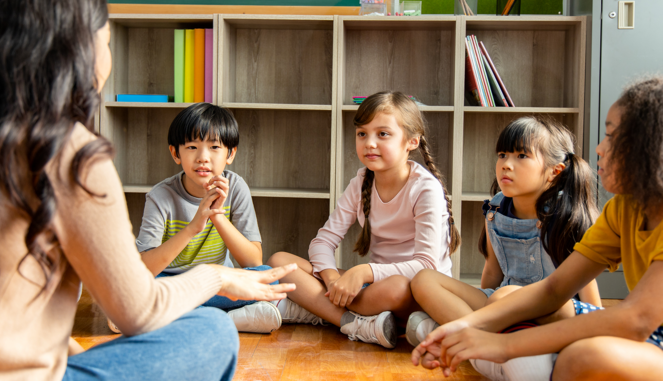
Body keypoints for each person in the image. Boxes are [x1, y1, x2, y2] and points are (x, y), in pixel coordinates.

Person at [0, 0, 295, 379]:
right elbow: (138, 309)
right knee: (210, 332)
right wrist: (215, 275)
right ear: (76, 51)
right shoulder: (70, 153)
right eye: (105, 40)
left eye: (214, 147)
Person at [413, 78, 663, 380]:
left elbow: (636, 319)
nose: (599, 147)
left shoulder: (567, 214)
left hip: (652, 335)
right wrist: (463, 328)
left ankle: (507, 359)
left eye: (611, 136)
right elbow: (554, 289)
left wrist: (505, 345)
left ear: (648, 148)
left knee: (583, 356)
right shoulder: (624, 209)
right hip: (641, 331)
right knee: (509, 297)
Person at [407, 116, 601, 380]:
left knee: (506, 295)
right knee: (423, 279)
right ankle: (473, 335)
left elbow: (585, 286)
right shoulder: (495, 210)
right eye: (502, 154)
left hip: (550, 311)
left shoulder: (563, 216)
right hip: (501, 304)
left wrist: (594, 331)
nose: (506, 165)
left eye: (522, 156)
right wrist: (482, 304)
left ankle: (455, 335)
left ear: (555, 172)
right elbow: (493, 272)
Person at [268, 91, 459, 349]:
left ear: (411, 141)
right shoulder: (360, 183)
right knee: (280, 262)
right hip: (372, 286)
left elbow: (425, 266)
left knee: (396, 288)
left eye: (382, 134)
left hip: (411, 291)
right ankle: (356, 323)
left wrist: (363, 271)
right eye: (362, 134)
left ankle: (318, 310)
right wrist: (332, 279)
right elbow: (323, 241)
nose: (369, 143)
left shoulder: (425, 189)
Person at [119, 103, 281, 335]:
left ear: (230, 154)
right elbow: (145, 269)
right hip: (171, 282)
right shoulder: (160, 196)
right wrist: (194, 227)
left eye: (214, 147)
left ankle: (171, 317)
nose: (203, 157)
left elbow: (253, 262)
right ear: (176, 153)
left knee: (268, 278)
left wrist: (217, 215)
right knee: (133, 288)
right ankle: (229, 319)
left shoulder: (235, 187)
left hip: (215, 283)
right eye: (192, 147)